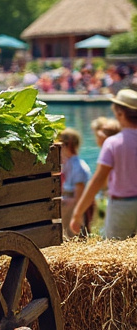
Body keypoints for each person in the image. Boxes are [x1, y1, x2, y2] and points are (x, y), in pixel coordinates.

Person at [71, 89, 137, 239]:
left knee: (116, 253)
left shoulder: (113, 143)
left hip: (121, 207)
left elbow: (98, 179)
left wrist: (78, 212)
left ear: (120, 113)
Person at [57, 129, 93, 238]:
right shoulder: (67, 164)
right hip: (66, 209)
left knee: (75, 238)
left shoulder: (79, 167)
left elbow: (79, 197)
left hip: (72, 210)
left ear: (66, 145)